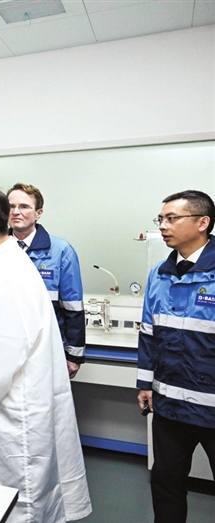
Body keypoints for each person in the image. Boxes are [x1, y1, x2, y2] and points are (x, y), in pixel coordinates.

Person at [0, 185, 91, 523]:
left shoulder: (8, 279)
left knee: (18, 507)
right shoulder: (3, 267)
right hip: (17, 406)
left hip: (15, 417)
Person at [136, 190, 215, 523]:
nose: (163, 226)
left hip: (211, 406)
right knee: (166, 484)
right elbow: (148, 333)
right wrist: (145, 384)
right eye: (161, 219)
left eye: (172, 218)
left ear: (202, 222)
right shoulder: (159, 273)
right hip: (169, 406)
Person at [5, 183, 85, 378]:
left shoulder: (61, 251)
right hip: (5, 348)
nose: (16, 212)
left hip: (46, 350)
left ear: (38, 213)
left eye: (24, 206)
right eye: (11, 206)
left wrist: (73, 355)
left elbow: (73, 307)